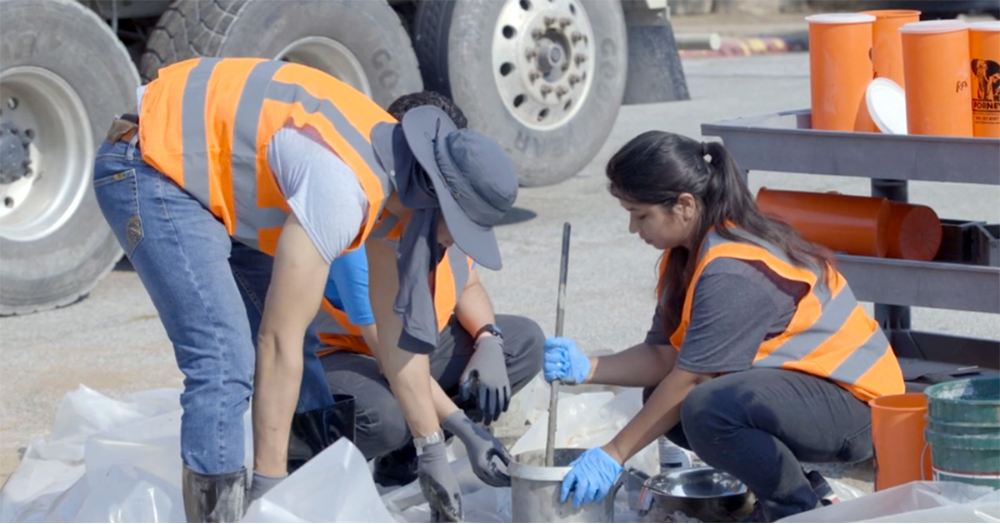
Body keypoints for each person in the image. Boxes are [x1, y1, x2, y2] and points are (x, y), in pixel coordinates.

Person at [93, 59, 518, 522]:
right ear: (434, 198)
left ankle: (310, 500)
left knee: (303, 362)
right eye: (457, 228)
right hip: (151, 161)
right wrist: (268, 493)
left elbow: (396, 341)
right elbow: (276, 343)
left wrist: (432, 450)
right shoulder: (343, 188)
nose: (455, 243)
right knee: (223, 358)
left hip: (215, 179)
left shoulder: (400, 182)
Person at [543, 131, 905, 522]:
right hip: (804, 393)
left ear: (684, 205)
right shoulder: (686, 256)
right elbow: (664, 357)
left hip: (857, 406)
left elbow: (694, 379)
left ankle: (798, 509)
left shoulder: (734, 269)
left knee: (705, 407)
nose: (634, 229)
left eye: (640, 214)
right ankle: (800, 487)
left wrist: (613, 454)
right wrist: (588, 367)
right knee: (663, 400)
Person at [299, 92, 543, 495]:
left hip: (410, 349)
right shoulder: (362, 229)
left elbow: (467, 283)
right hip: (350, 357)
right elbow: (392, 356)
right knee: (384, 417)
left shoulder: (446, 209)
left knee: (524, 342)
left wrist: (487, 339)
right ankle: (307, 463)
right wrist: (463, 432)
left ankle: (407, 451)